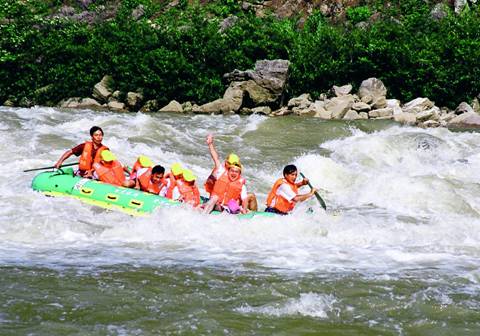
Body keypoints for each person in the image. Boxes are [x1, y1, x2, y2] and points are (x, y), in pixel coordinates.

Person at [204, 134, 258, 211]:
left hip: (229, 206)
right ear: (227, 165)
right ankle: (203, 214)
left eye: (236, 171)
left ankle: (253, 215)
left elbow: (244, 197)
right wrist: (210, 144)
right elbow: (215, 158)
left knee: (250, 196)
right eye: (232, 169)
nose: (234, 173)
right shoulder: (219, 172)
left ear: (239, 172)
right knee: (215, 198)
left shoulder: (240, 182)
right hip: (216, 202)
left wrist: (244, 209)